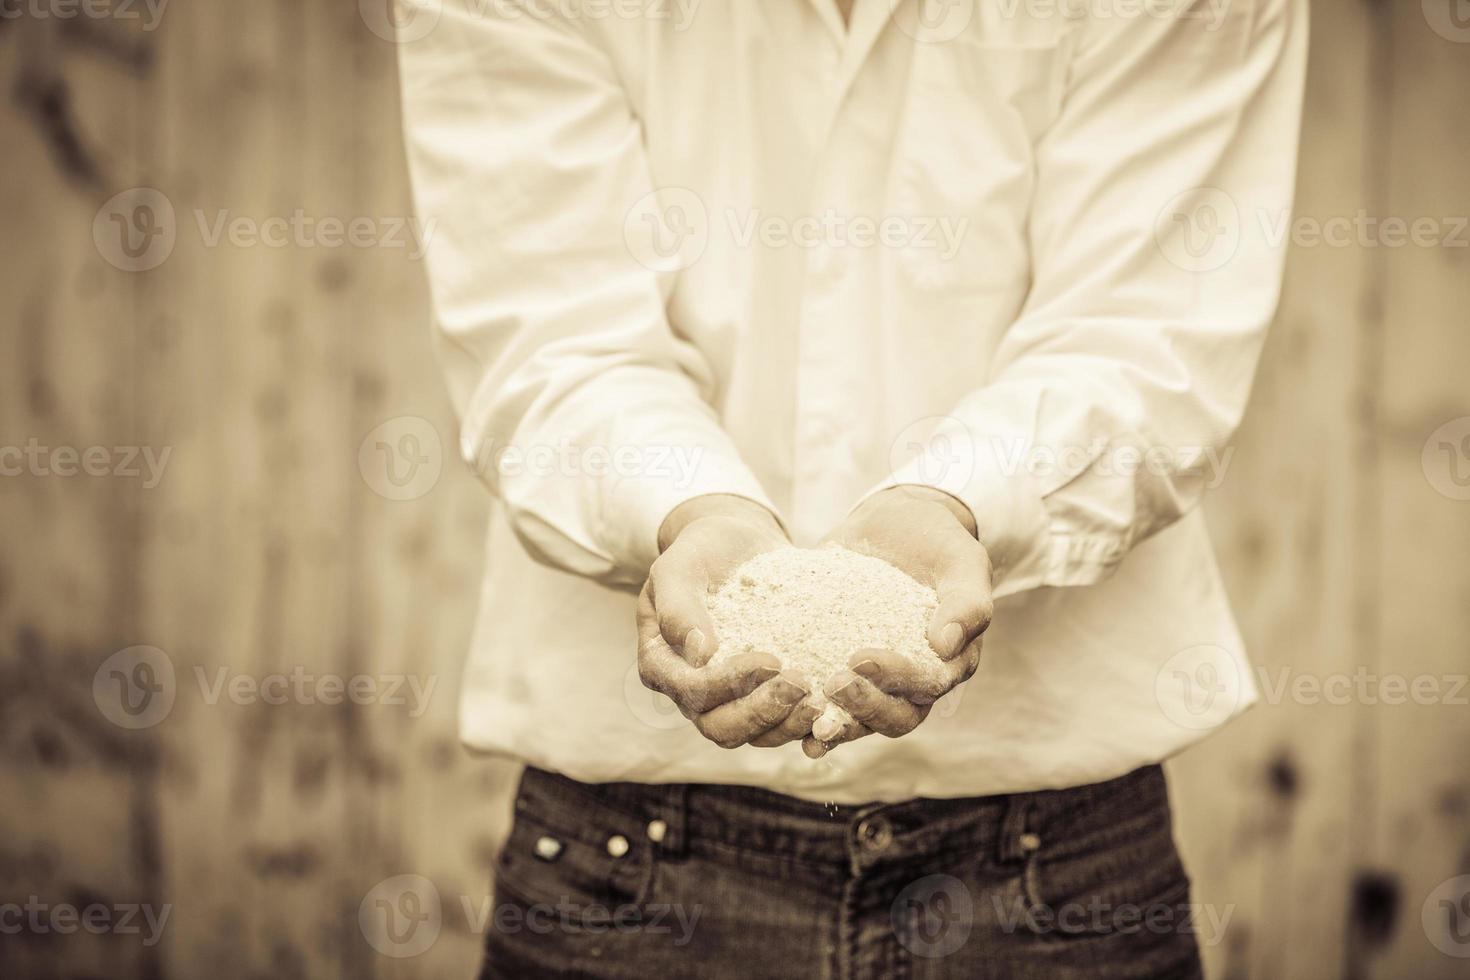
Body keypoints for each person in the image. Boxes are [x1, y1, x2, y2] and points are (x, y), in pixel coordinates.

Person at [397, 0, 1305, 975]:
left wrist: (956, 501)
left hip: (1056, 863)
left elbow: (1145, 335)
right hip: (631, 860)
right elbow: (554, 341)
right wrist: (695, 509)